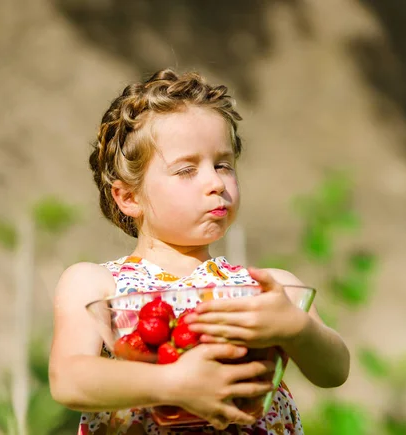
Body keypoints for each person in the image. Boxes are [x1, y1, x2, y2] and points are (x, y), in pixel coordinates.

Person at [49, 69, 350, 435]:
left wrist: (296, 327)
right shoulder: (97, 283)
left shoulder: (269, 290)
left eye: (223, 165)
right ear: (128, 197)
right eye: (187, 169)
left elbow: (334, 372)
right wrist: (172, 383)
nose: (215, 183)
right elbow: (68, 380)